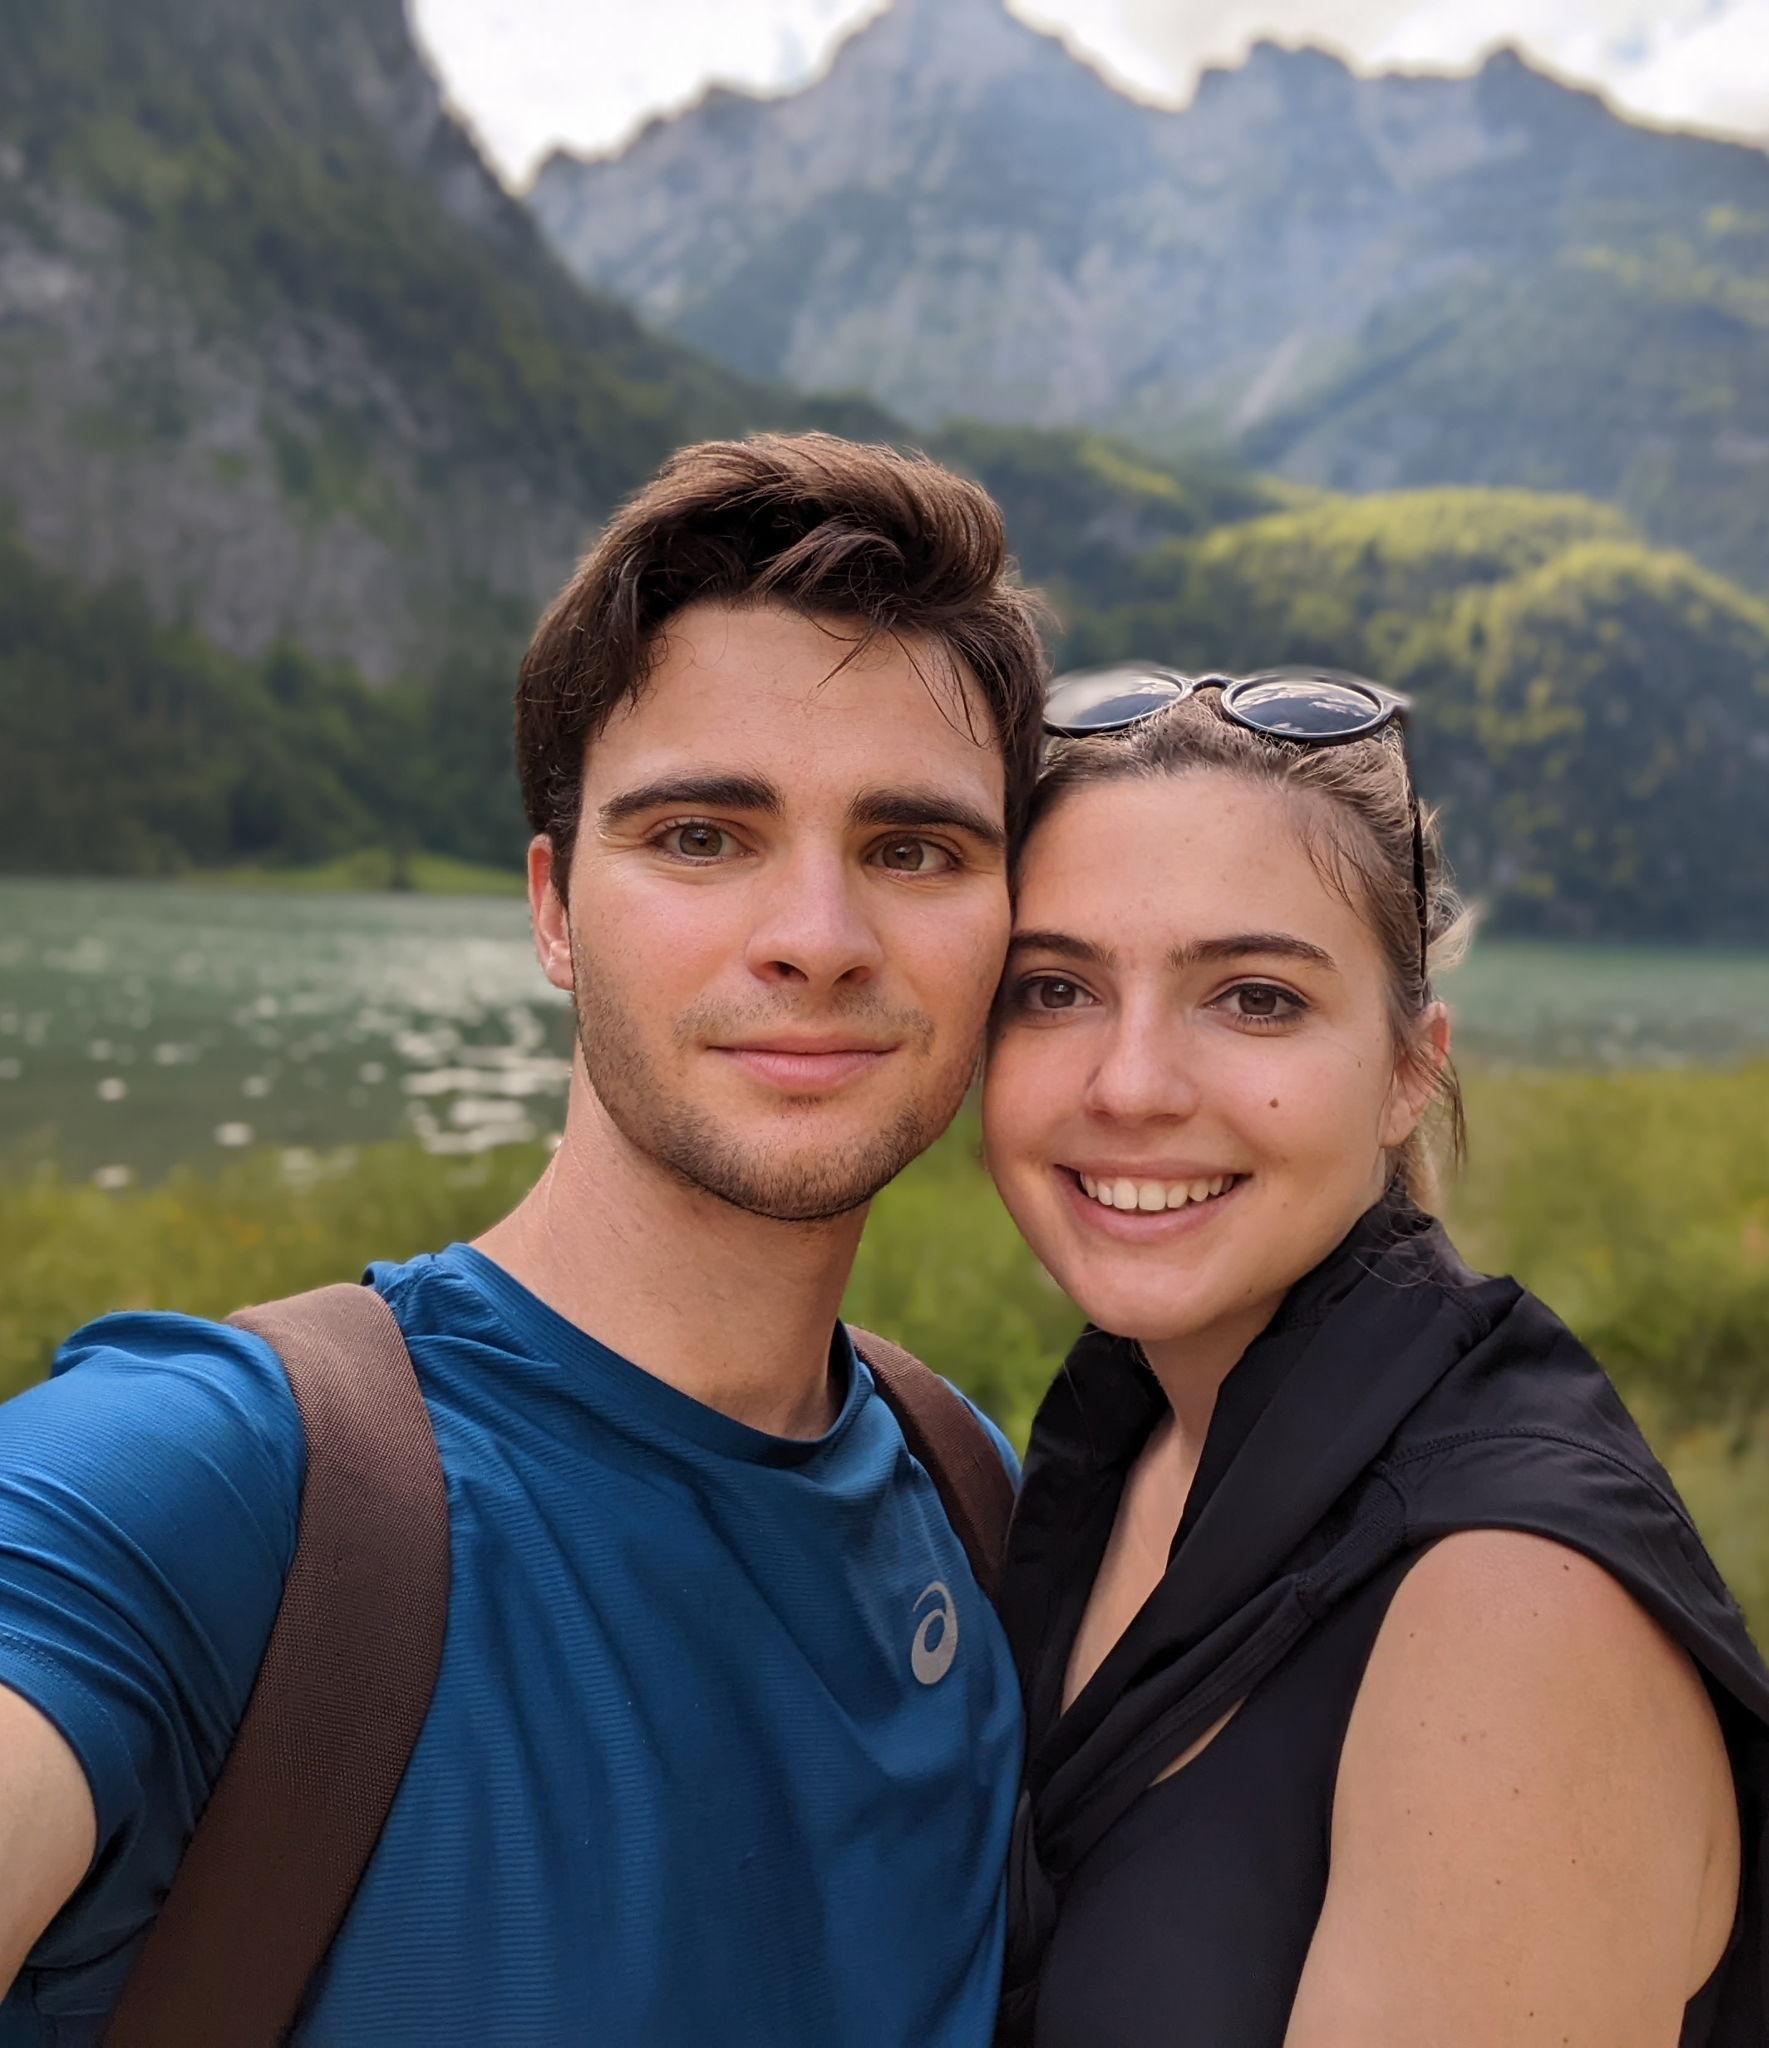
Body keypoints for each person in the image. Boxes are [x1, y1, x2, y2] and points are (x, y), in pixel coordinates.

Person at [0, 434, 1048, 2044]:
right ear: (555, 909)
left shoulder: (966, 1494)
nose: (818, 942)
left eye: (915, 850)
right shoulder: (200, 1485)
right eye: (702, 835)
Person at [982, 666, 1769, 2048]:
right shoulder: (1130, 1434)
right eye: (1057, 987)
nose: (1130, 1082)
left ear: (1407, 1067)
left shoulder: (1509, 1614)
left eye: (1253, 998)